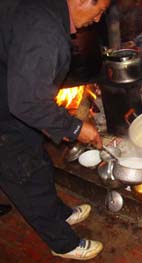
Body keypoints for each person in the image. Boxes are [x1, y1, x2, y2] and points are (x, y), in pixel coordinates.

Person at [0, 0, 110, 260]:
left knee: (37, 162)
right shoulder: (46, 32)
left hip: (9, 89)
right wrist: (73, 126)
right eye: (100, 10)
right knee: (26, 178)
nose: (97, 19)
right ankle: (63, 244)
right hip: (5, 115)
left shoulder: (47, 8)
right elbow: (26, 102)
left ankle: (60, 214)